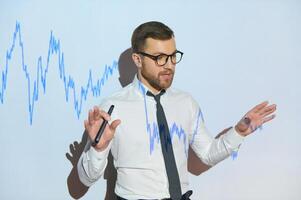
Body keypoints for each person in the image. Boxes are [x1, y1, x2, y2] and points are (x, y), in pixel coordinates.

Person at [77, 21, 277, 200]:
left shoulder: (186, 102)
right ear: (138, 60)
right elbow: (86, 179)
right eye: (160, 58)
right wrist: (98, 148)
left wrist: (239, 132)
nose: (169, 66)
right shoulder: (113, 106)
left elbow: (207, 154)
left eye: (173, 56)